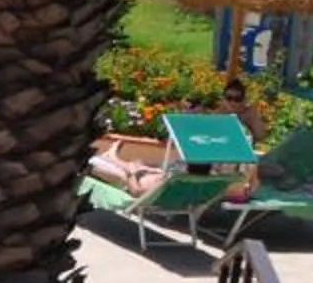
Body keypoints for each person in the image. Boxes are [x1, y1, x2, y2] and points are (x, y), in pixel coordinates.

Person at [88, 77, 264, 199]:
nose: (232, 102)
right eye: (229, 97)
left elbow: (137, 191)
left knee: (132, 169)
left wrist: (133, 172)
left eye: (237, 99)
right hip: (202, 181)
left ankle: (104, 160)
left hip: (160, 183)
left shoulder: (241, 128)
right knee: (145, 168)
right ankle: (112, 158)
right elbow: (252, 178)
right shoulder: (230, 138)